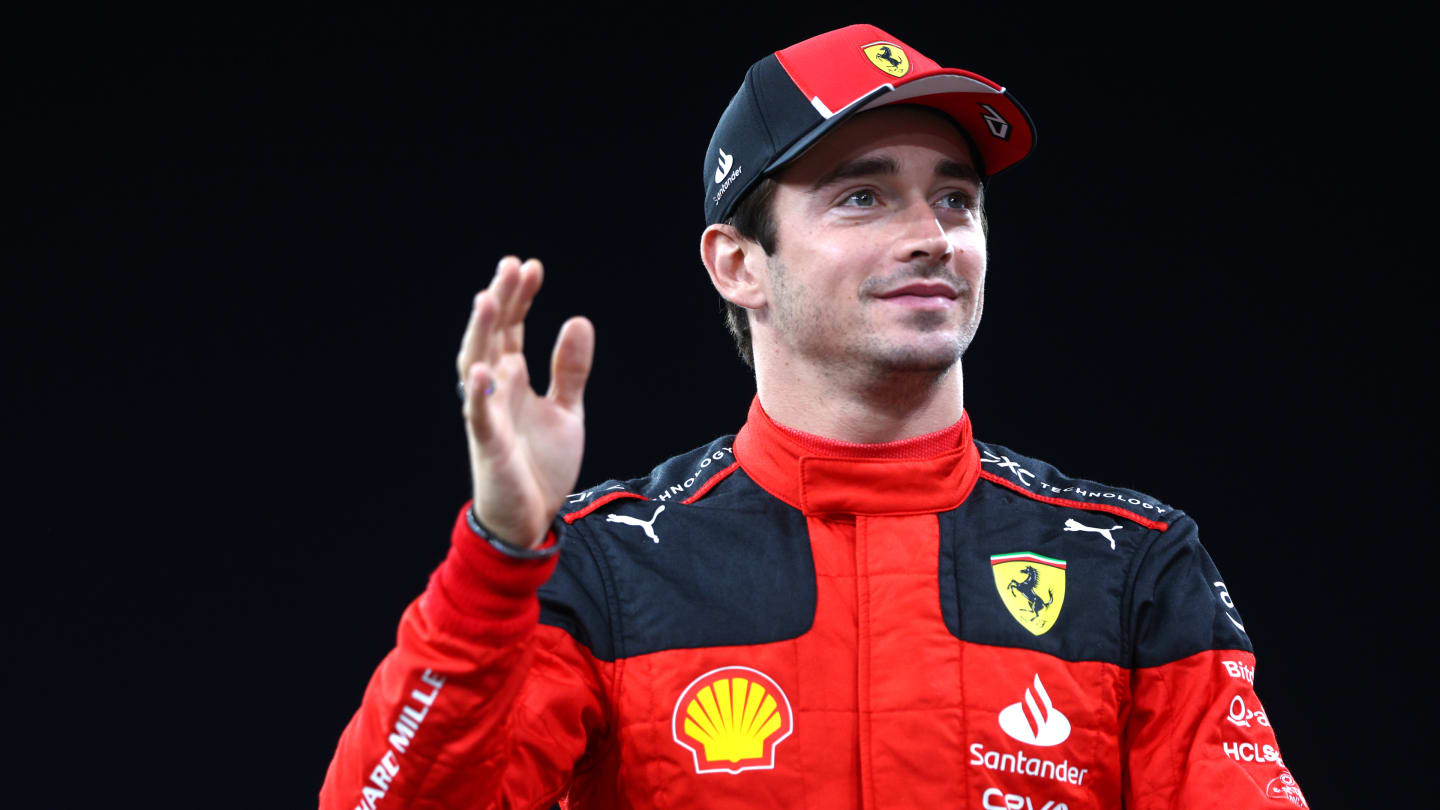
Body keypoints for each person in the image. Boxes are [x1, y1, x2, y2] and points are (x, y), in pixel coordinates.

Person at [320, 24, 1304, 810]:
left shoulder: (1132, 563)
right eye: (864, 195)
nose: (931, 237)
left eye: (955, 200)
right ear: (738, 263)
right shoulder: (607, 568)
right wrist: (498, 556)